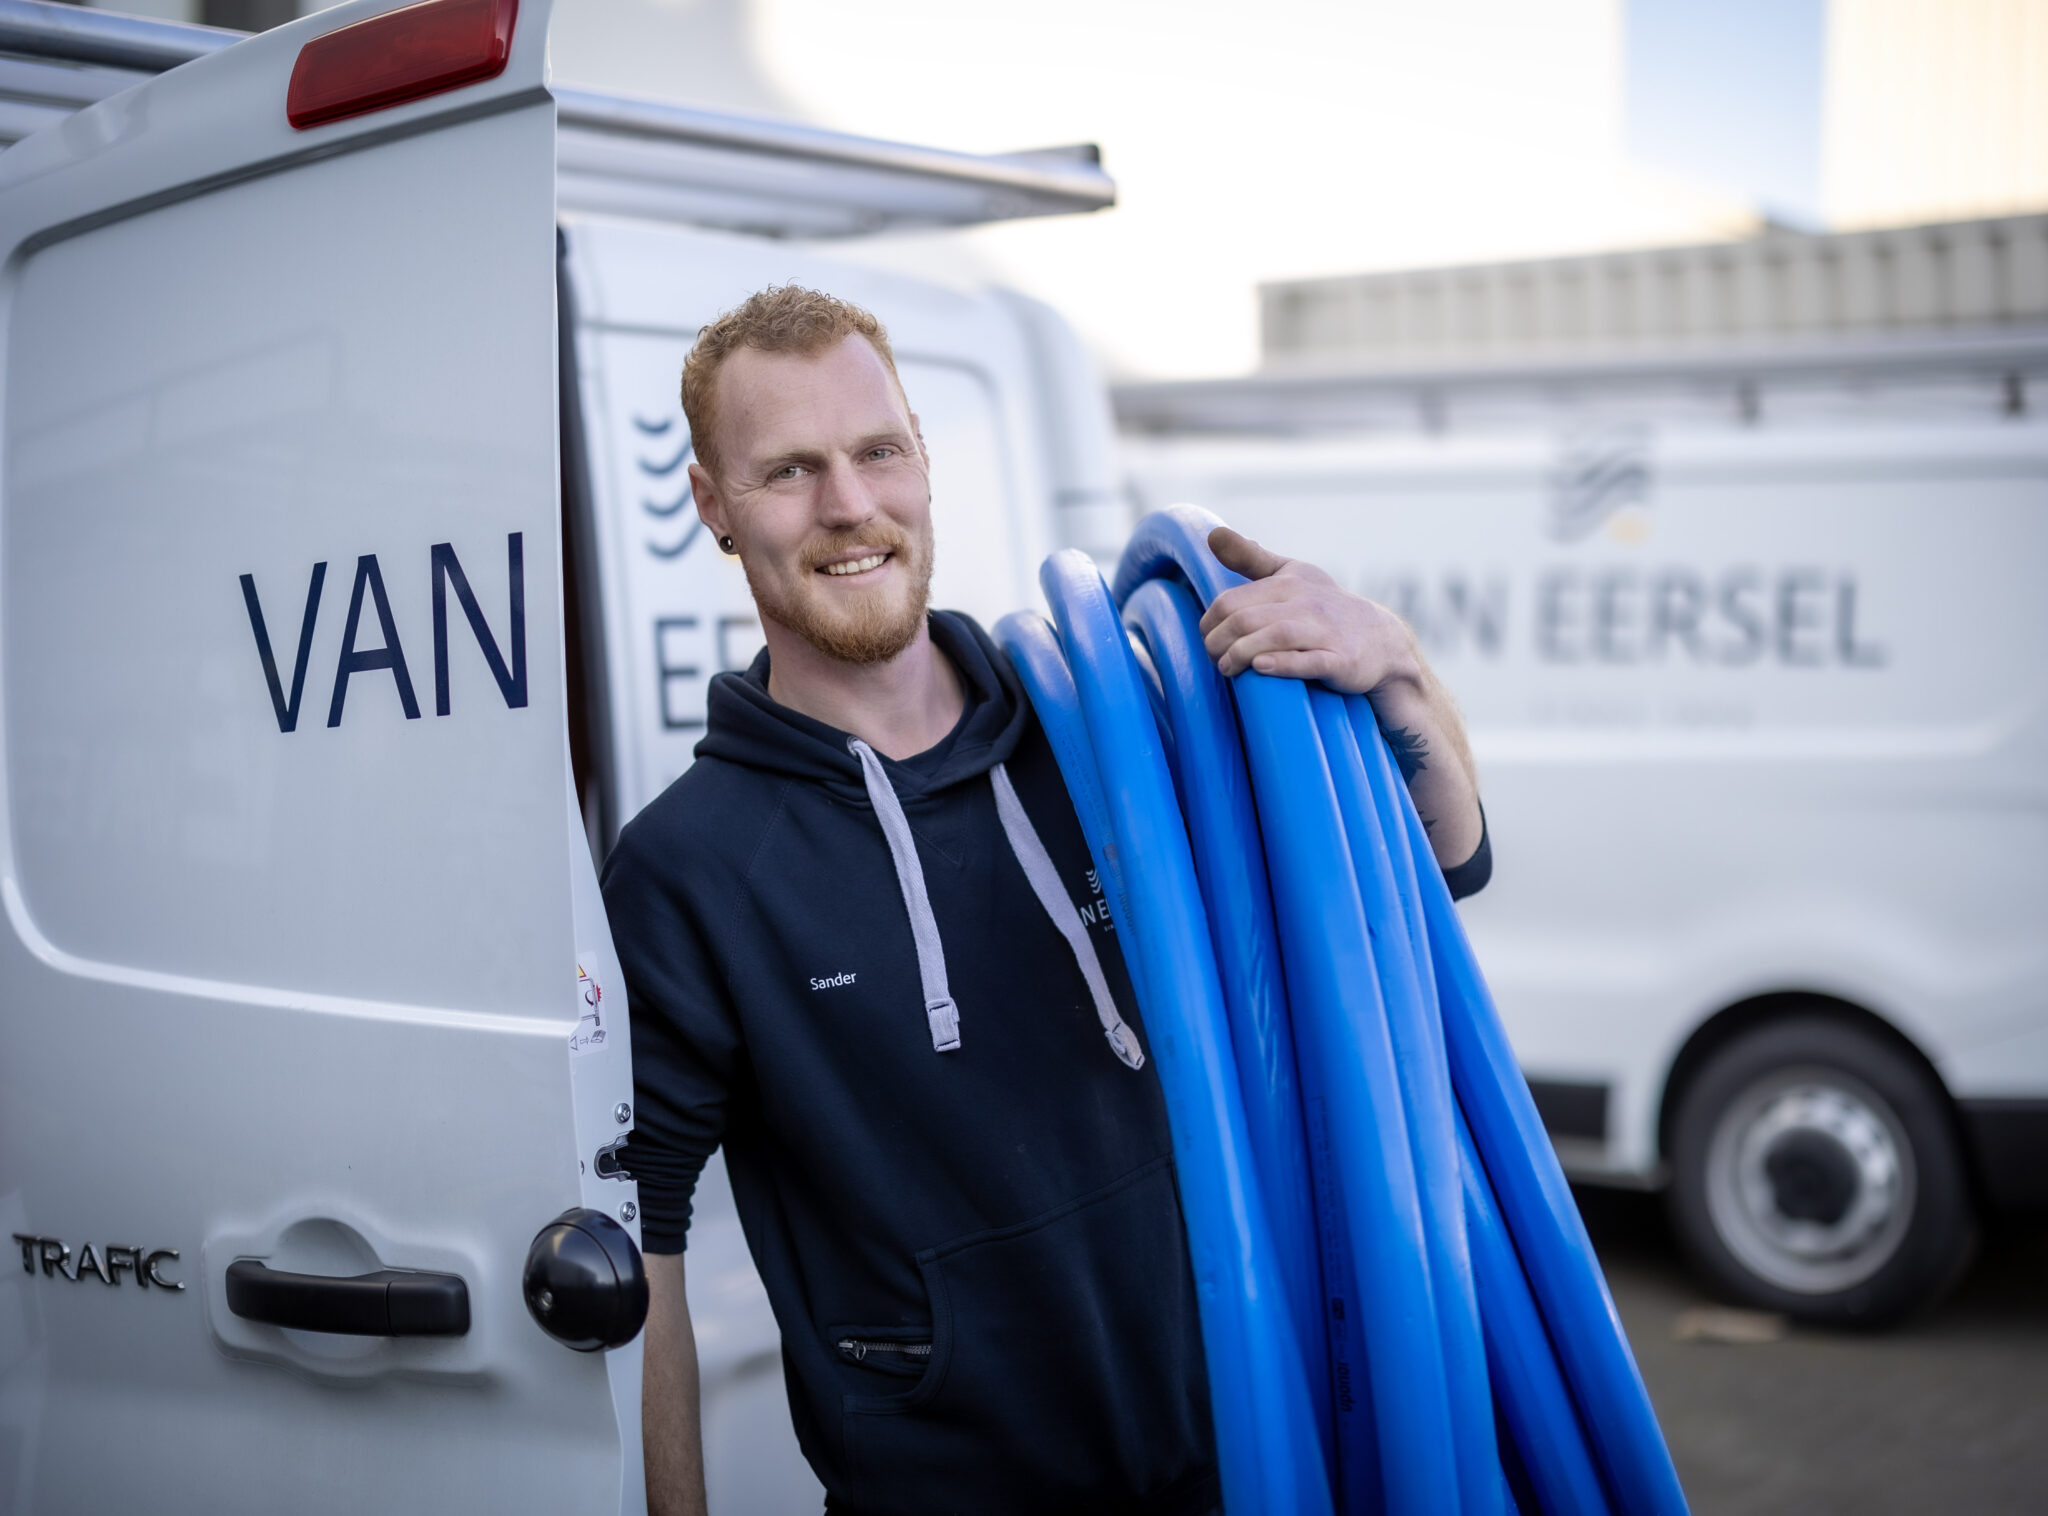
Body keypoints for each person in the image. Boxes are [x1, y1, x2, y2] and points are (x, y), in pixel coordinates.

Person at [601, 286, 1490, 1516]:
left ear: (920, 453)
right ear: (709, 504)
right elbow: (638, 1240)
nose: (849, 505)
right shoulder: (688, 867)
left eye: (875, 452)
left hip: (1250, 1461)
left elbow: (1441, 864)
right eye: (788, 472)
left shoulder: (1116, 734)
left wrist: (1389, 658)